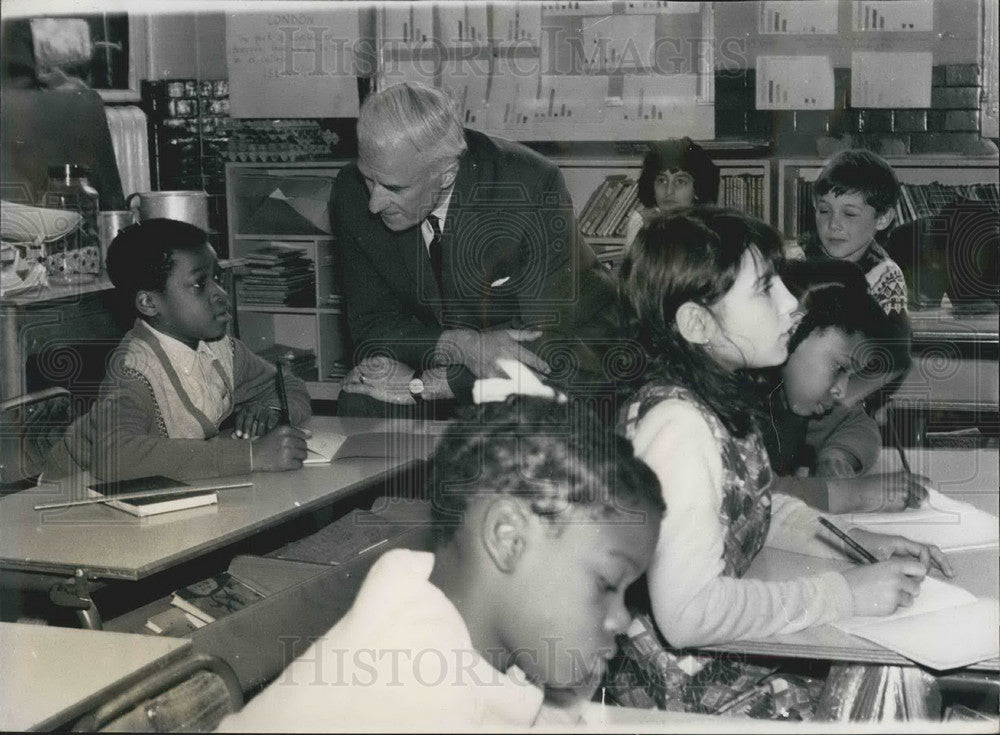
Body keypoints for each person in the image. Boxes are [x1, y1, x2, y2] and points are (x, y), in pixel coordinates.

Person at [608, 209, 951, 715]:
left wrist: (858, 546)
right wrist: (845, 593)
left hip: (715, 671)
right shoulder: (679, 427)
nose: (792, 304)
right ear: (697, 323)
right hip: (678, 696)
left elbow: (759, 509)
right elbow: (687, 615)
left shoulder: (714, 401)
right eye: (766, 289)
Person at [216, 397, 664, 731]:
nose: (624, 619)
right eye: (607, 585)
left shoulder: (424, 594)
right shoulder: (420, 687)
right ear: (507, 538)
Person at [333, 82, 620, 417]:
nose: (374, 202)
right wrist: (462, 346)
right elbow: (371, 329)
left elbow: (546, 339)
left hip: (563, 357)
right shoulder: (351, 191)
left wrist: (424, 386)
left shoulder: (529, 185)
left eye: (394, 188)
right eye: (369, 178)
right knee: (359, 397)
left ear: (445, 175)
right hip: (453, 358)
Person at [45, 218, 310, 481]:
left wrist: (271, 411)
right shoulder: (133, 371)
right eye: (199, 284)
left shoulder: (222, 350)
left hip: (152, 491)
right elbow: (114, 456)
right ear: (149, 302)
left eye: (217, 277)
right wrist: (251, 455)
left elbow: (290, 387)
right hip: (74, 492)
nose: (221, 294)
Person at [759, 259, 930, 513]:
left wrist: (837, 455)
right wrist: (851, 494)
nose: (842, 389)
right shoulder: (736, 403)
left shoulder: (792, 400)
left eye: (850, 375)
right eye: (839, 368)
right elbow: (749, 494)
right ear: (792, 330)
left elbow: (859, 425)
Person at [802, 149, 912, 405]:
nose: (833, 224)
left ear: (883, 219)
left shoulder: (884, 274)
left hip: (845, 401)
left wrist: (846, 395)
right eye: (824, 210)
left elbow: (894, 356)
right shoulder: (796, 259)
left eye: (849, 214)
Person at [624, 137, 720, 250]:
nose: (669, 191)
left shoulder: (709, 231)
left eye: (680, 182)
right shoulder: (640, 222)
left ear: (698, 188)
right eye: (662, 180)